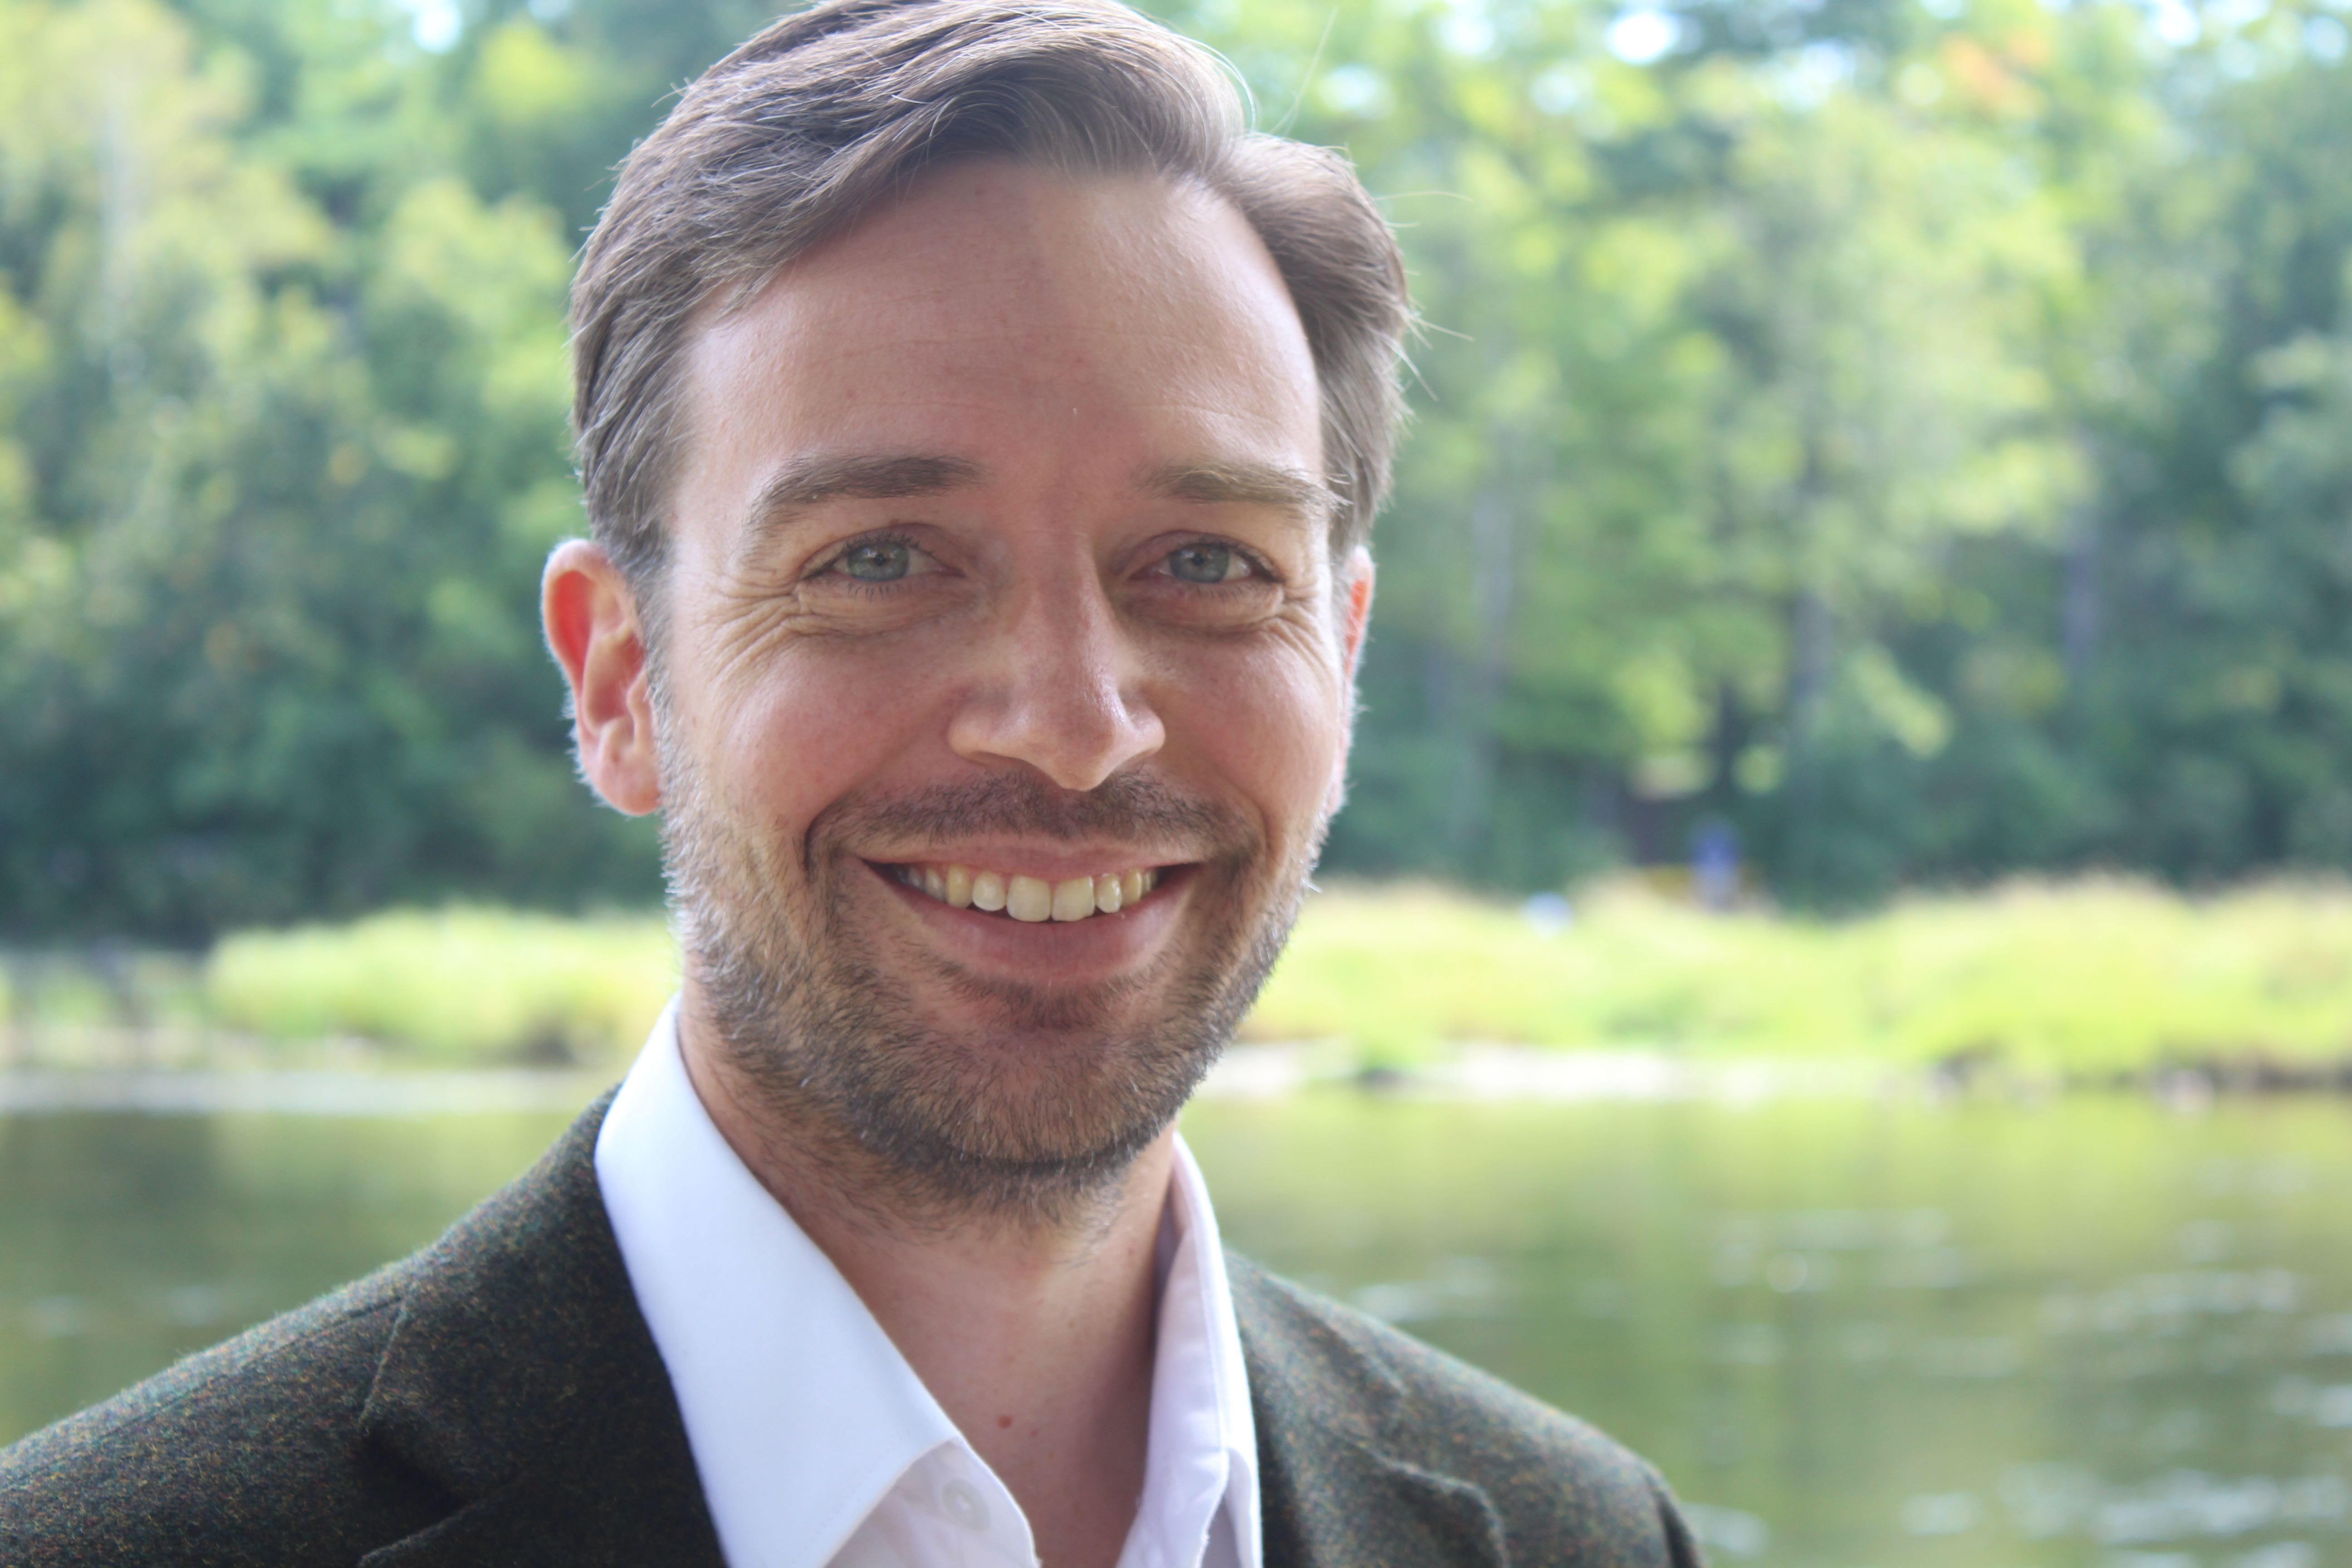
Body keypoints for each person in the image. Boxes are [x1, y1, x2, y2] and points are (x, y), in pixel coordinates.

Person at [0, 2, 1703, 1563]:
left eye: (1205, 562)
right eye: (881, 559)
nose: (1074, 725)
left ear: (1341, 650)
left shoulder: (1589, 1539)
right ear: (620, 683)